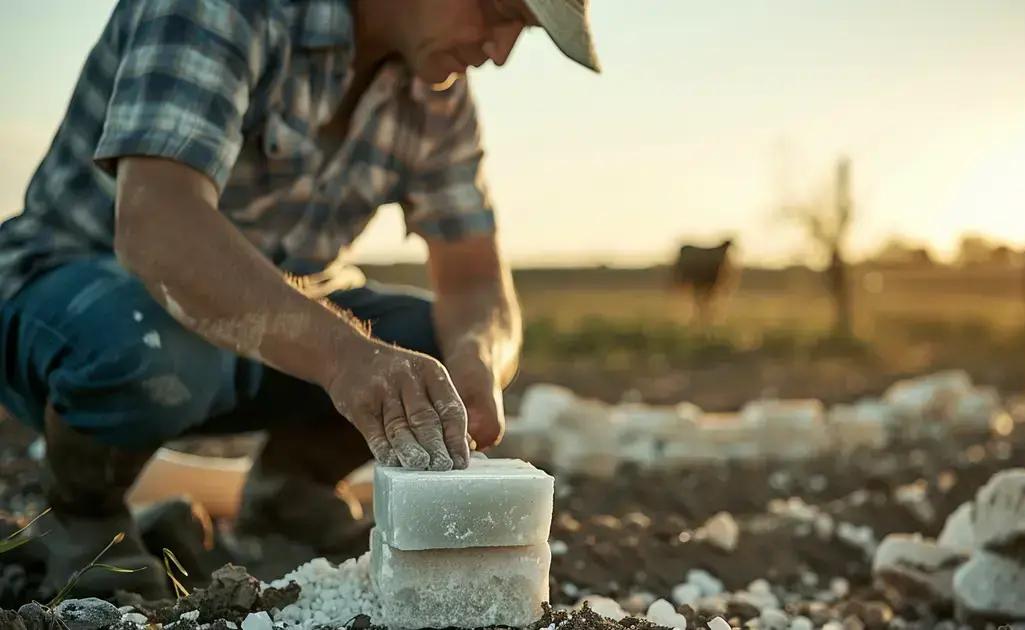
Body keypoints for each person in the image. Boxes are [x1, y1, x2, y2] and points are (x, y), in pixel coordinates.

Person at [0, 0, 599, 598]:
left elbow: (474, 282)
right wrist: (347, 358)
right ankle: (85, 523)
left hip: (263, 334)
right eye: (498, 13)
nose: (499, 52)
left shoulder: (437, 92)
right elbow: (158, 225)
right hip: (79, 300)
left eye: (519, 32)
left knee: (433, 348)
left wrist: (478, 363)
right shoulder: (227, 9)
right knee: (148, 335)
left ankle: (286, 497)